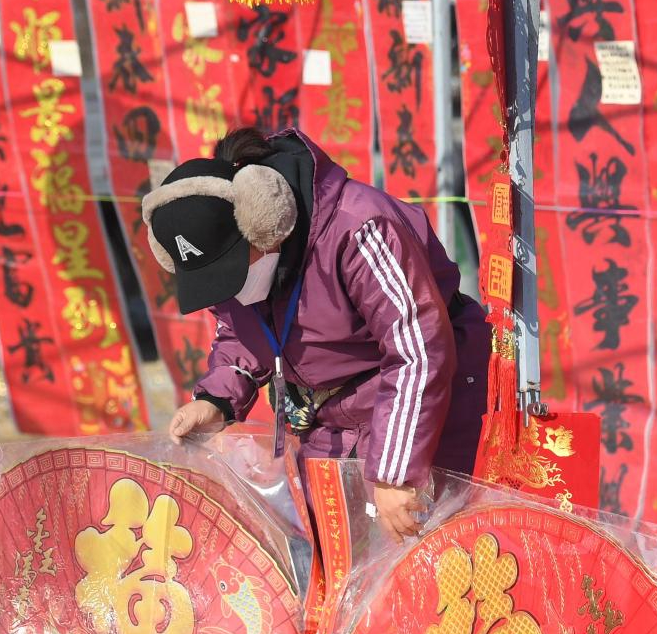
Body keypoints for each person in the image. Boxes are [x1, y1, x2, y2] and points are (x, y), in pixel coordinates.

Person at [141, 126, 487, 538]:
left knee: (432, 565)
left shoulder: (358, 226)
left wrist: (395, 472)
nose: (230, 290)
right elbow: (240, 333)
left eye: (232, 272)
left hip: (419, 415)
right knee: (341, 569)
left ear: (263, 221)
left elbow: (418, 347)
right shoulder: (237, 258)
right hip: (328, 424)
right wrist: (217, 399)